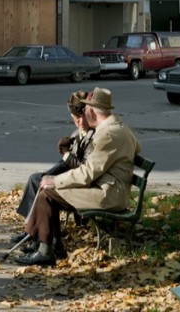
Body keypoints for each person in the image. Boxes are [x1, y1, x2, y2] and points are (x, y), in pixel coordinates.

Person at [16, 86, 141, 267]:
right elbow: (138, 148)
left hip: (108, 194)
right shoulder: (120, 126)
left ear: (90, 110)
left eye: (85, 110)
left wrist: (55, 180)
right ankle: (52, 245)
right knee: (48, 190)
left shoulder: (108, 134)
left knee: (47, 194)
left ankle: (46, 251)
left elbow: (87, 173)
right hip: (111, 187)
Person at [11, 91, 93, 245]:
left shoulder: (93, 135)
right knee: (35, 179)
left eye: (82, 117)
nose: (80, 122)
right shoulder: (77, 132)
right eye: (76, 119)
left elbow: (84, 169)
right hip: (69, 173)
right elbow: (66, 163)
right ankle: (31, 231)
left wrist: (66, 154)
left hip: (79, 181)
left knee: (43, 185)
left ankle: (37, 235)